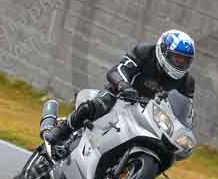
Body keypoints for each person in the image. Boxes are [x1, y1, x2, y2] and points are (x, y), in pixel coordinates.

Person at [44, 30, 196, 149]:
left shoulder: (187, 82)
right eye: (177, 58)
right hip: (121, 96)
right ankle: (62, 130)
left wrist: (184, 127)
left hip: (150, 114)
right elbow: (117, 70)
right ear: (164, 51)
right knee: (96, 105)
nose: (180, 63)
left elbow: (186, 111)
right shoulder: (145, 52)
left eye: (185, 60)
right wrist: (124, 86)